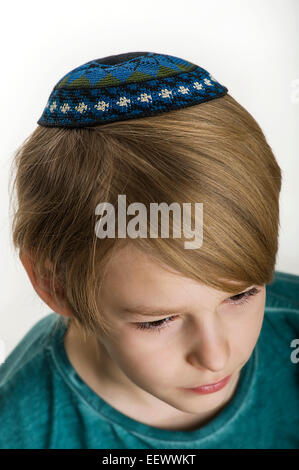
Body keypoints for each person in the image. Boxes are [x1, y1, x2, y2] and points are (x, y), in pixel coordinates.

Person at [1, 51, 298, 449]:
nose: (215, 356)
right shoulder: (20, 428)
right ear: (56, 284)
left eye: (242, 294)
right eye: (158, 321)